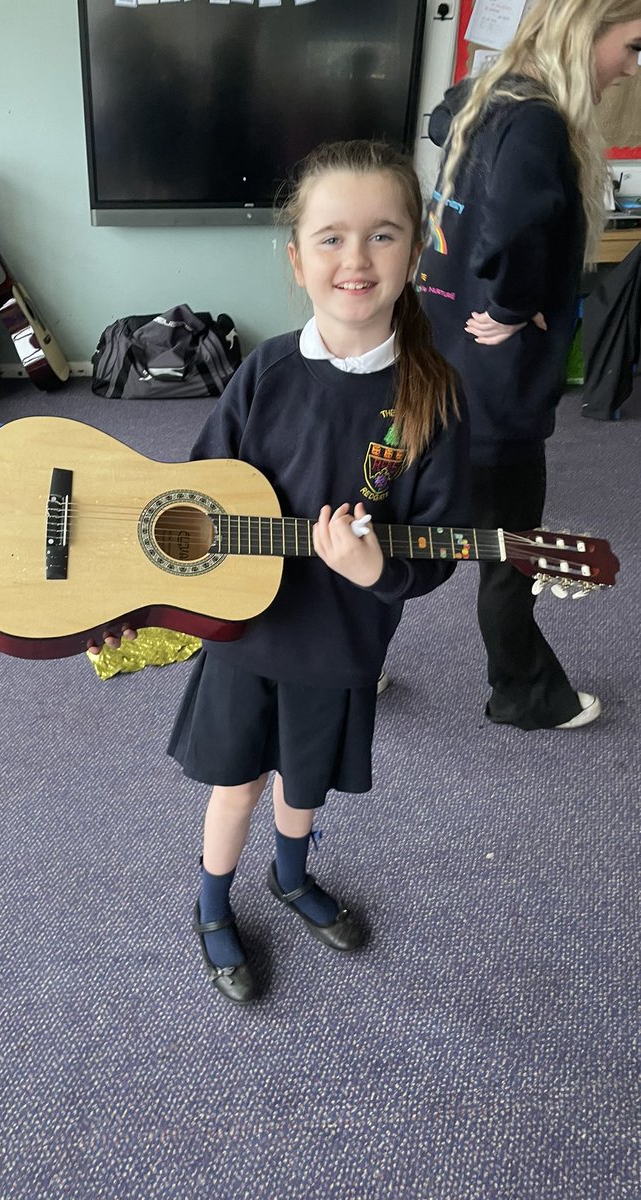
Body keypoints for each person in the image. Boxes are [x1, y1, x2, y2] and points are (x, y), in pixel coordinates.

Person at [161, 140, 471, 1004]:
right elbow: (200, 488)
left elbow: (437, 542)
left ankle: (291, 878)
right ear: (297, 260)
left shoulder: (431, 398)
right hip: (244, 635)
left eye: (383, 235)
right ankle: (212, 904)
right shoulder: (262, 370)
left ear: (416, 252)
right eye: (330, 238)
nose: (356, 259)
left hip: (338, 643)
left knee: (304, 784)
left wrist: (376, 569)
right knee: (237, 786)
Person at [417, 0, 641, 731]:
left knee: (389, 521)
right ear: (589, 25)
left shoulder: (487, 95)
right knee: (510, 550)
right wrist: (516, 305)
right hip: (494, 391)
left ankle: (338, 666)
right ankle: (523, 692)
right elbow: (516, 223)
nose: (628, 69)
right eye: (631, 46)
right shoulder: (540, 118)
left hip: (436, 361)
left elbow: (438, 127)